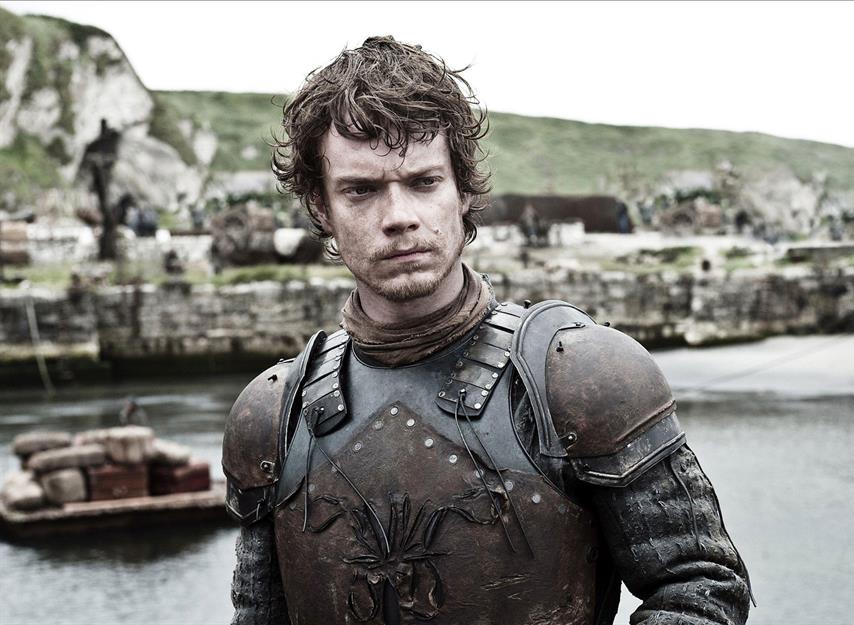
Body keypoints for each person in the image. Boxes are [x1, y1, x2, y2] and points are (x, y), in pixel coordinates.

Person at [222, 36, 751, 625]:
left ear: (462, 189)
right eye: (361, 190)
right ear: (322, 206)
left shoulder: (578, 377)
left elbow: (698, 585)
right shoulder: (272, 416)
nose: (399, 217)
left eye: (423, 181)